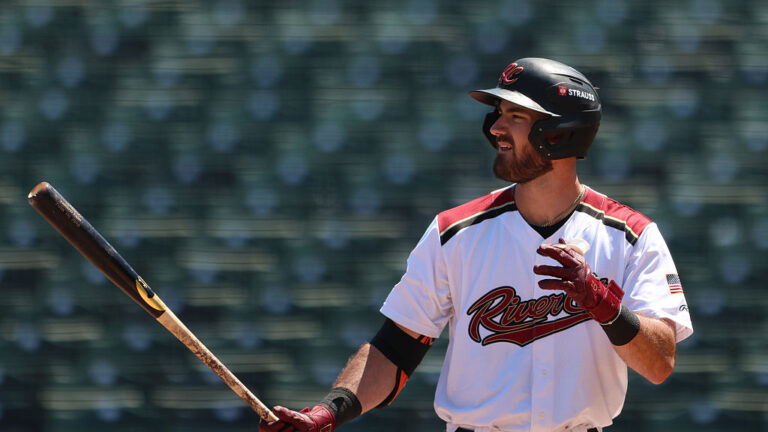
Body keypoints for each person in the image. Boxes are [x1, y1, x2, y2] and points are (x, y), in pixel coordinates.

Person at [259, 57, 693, 432]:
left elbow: (660, 364)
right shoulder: (455, 231)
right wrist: (328, 412)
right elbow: (395, 349)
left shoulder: (631, 235)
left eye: (516, 116)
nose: (497, 128)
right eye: (498, 114)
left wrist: (603, 304)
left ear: (559, 134)